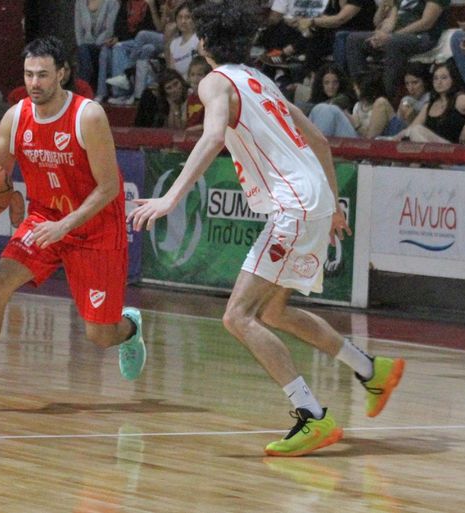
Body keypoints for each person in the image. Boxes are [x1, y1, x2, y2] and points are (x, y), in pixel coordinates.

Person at [129, 0, 405, 457]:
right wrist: (334, 204)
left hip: (293, 207)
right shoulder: (261, 80)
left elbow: (213, 136)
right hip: (313, 200)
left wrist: (169, 199)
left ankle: (312, 415)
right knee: (274, 313)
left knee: (237, 316)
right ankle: (371, 370)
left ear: (203, 42)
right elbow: (317, 140)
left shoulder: (216, 81)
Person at [0, 37, 146, 413]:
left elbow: (110, 187)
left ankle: (129, 329)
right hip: (45, 219)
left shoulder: (88, 116)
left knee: (99, 334)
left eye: (43, 75)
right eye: (29, 74)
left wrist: (67, 226)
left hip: (94, 227)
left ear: (62, 73)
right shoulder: (16, 117)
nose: (34, 82)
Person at [345, 0, 450, 98]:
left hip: (423, 36)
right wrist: (381, 35)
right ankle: (363, 93)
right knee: (353, 40)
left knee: (393, 43)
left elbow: (427, 22)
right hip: (397, 35)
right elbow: (387, 21)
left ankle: (385, 98)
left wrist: (390, 36)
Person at [393, 59, 465, 143]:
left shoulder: (461, 99)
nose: (439, 82)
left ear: (453, 79)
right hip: (433, 149)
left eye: (444, 78)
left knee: (416, 130)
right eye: (435, 78)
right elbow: (411, 129)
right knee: (413, 131)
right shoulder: (429, 105)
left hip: (454, 149)